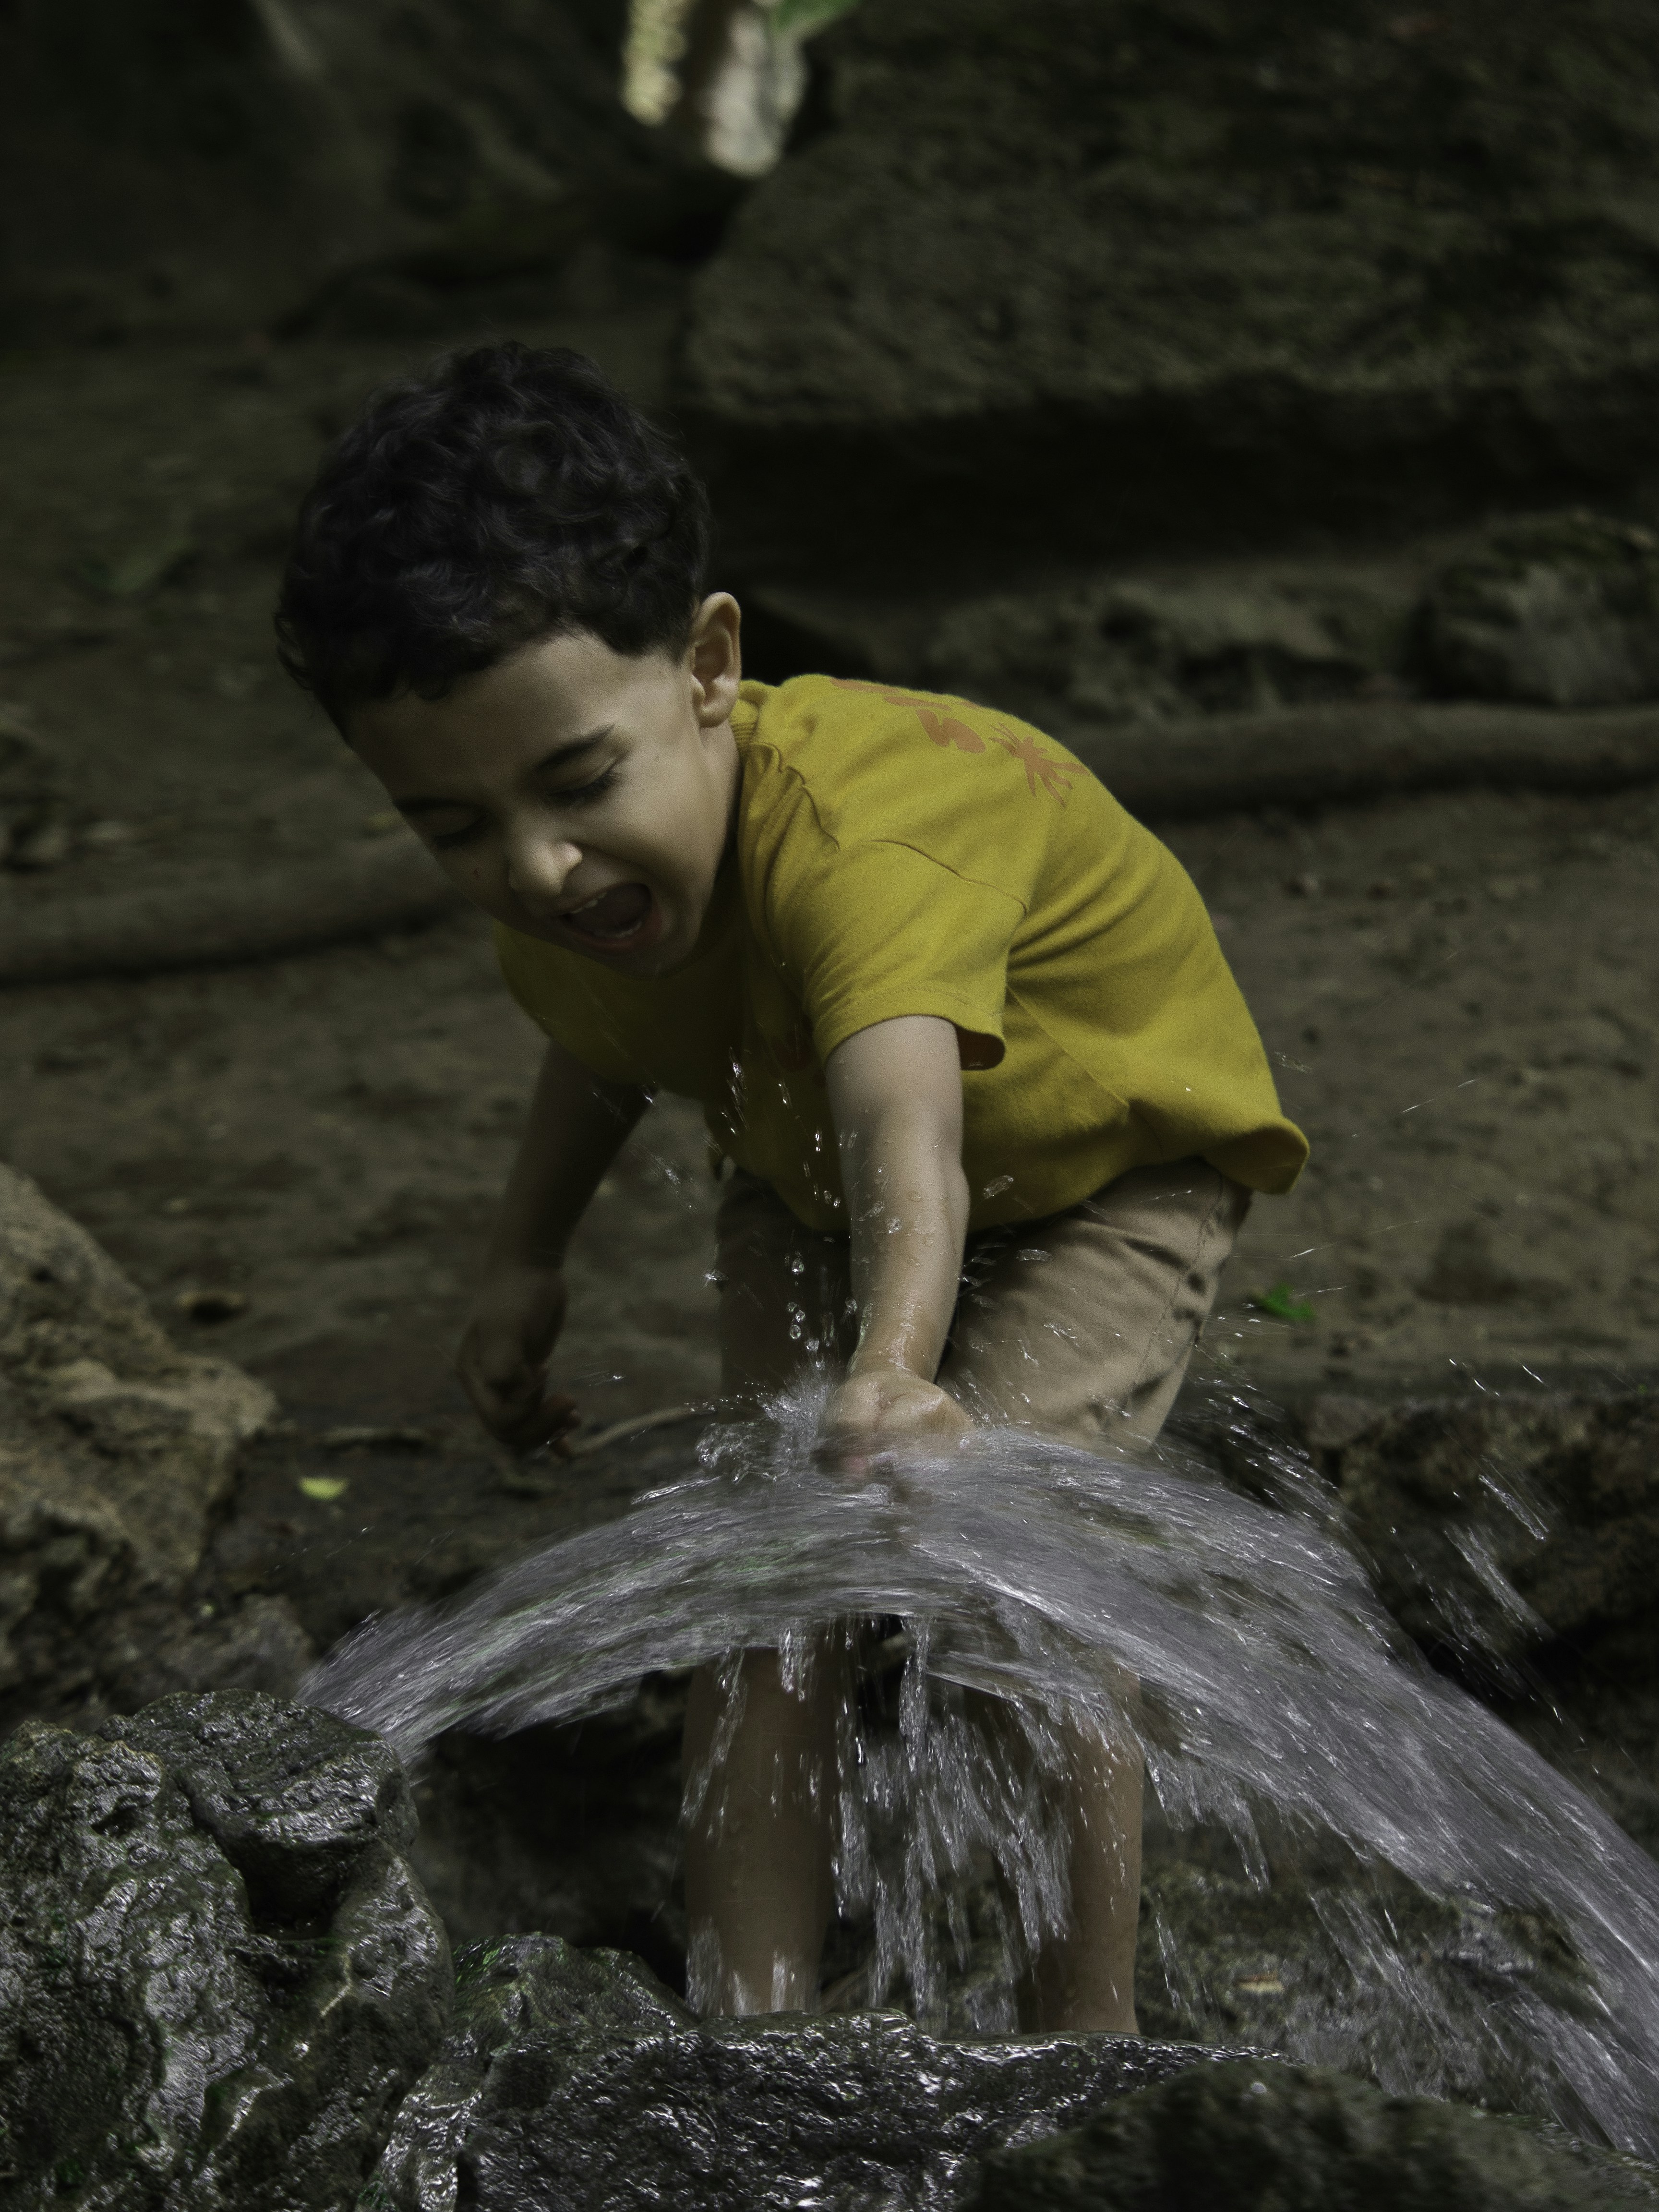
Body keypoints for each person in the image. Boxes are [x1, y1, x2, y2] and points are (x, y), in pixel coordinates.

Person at [275, 340, 1308, 2032]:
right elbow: (603, 1045)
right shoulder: (593, 895)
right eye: (450, 826)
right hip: (799, 1164)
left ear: (708, 664)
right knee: (770, 1579)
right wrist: (519, 1262)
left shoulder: (866, 838)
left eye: (577, 783)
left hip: (1104, 1167)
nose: (535, 866)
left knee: (1013, 1555)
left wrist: (895, 1369)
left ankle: (1084, 2028)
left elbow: (912, 1125)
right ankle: (746, 2024)